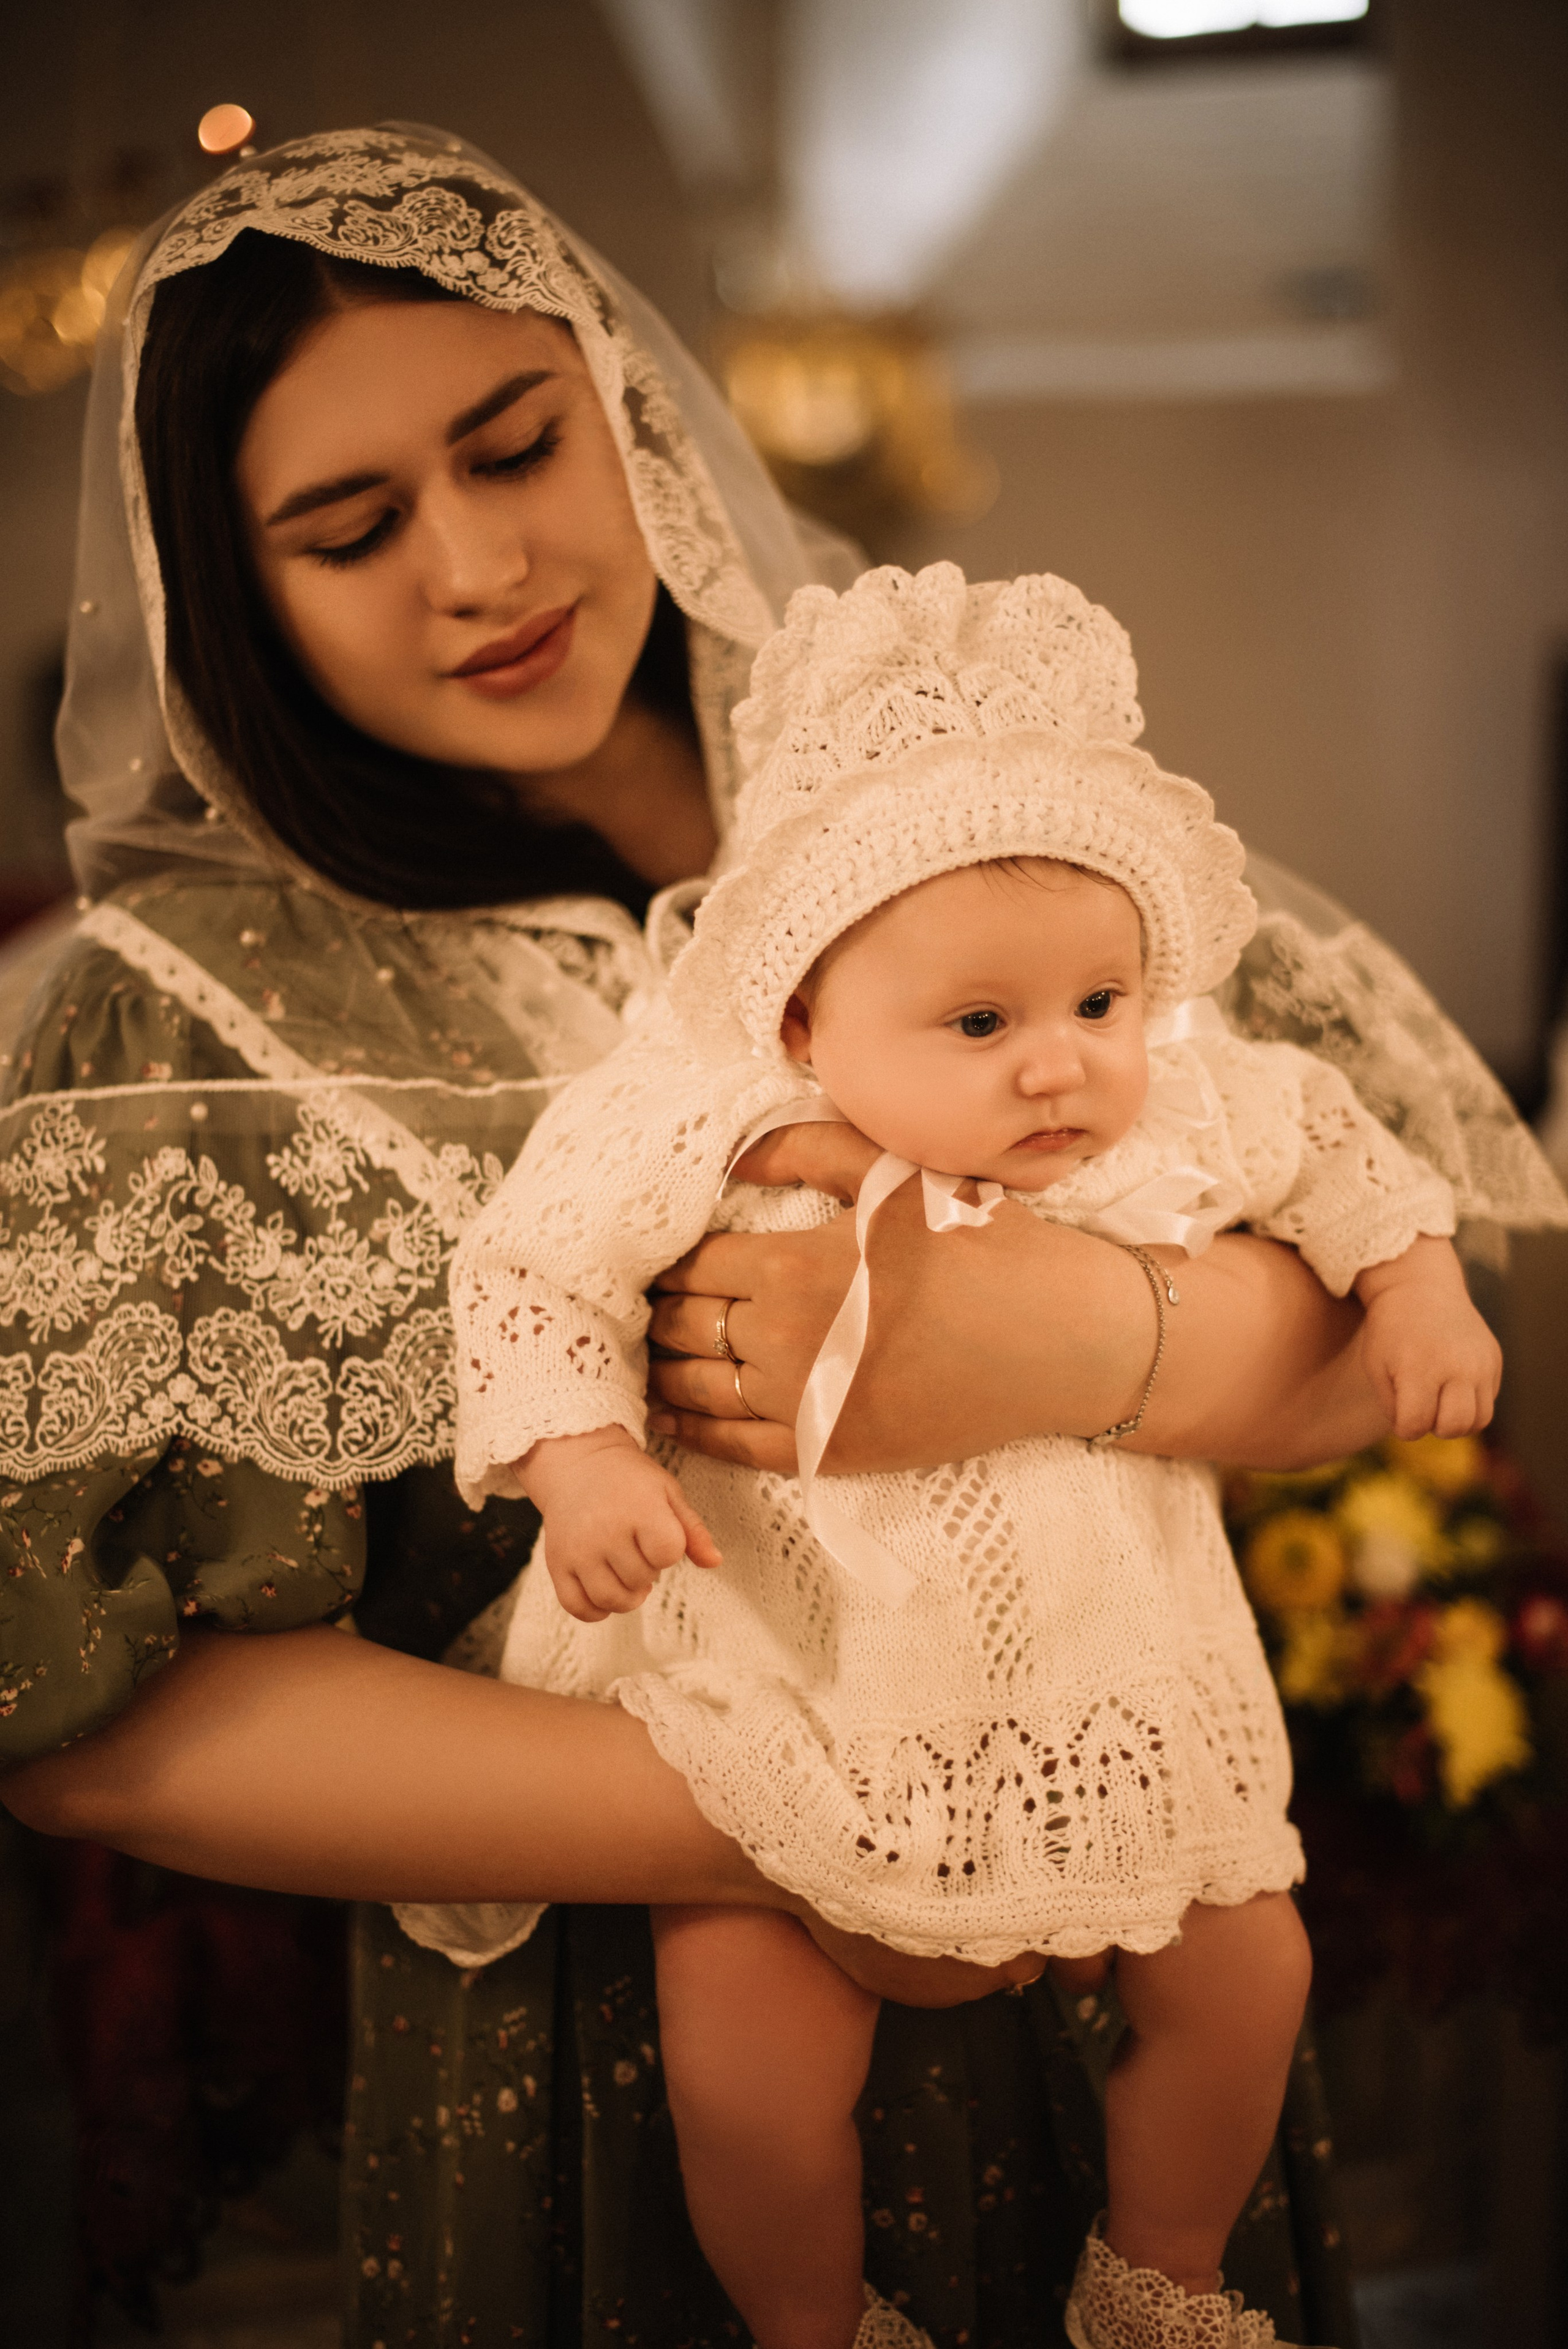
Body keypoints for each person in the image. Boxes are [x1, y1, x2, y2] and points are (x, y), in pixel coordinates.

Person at [0, 124, 1559, 2346]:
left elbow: (1379, 1282)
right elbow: (70, 1702)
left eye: (518, 443)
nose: (474, 563)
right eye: (347, 531)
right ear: (236, 600)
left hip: (1103, 1927)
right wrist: (826, 1805)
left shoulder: (970, 816)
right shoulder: (189, 1015)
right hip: (634, 2015)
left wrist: (1062, 1339)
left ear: (630, 408)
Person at [410, 563, 1500, 2349]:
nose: (1062, 1067)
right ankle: (814, 2323)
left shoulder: (1180, 1094)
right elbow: (534, 1268)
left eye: (1101, 999)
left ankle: (1161, 2269)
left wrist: (1420, 1281)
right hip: (798, 1680)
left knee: (1250, 1969)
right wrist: (585, 1460)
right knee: (752, 2065)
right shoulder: (708, 1116)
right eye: (982, 1024)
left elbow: (1336, 1143)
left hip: (1112, 1675)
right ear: (799, 1021)